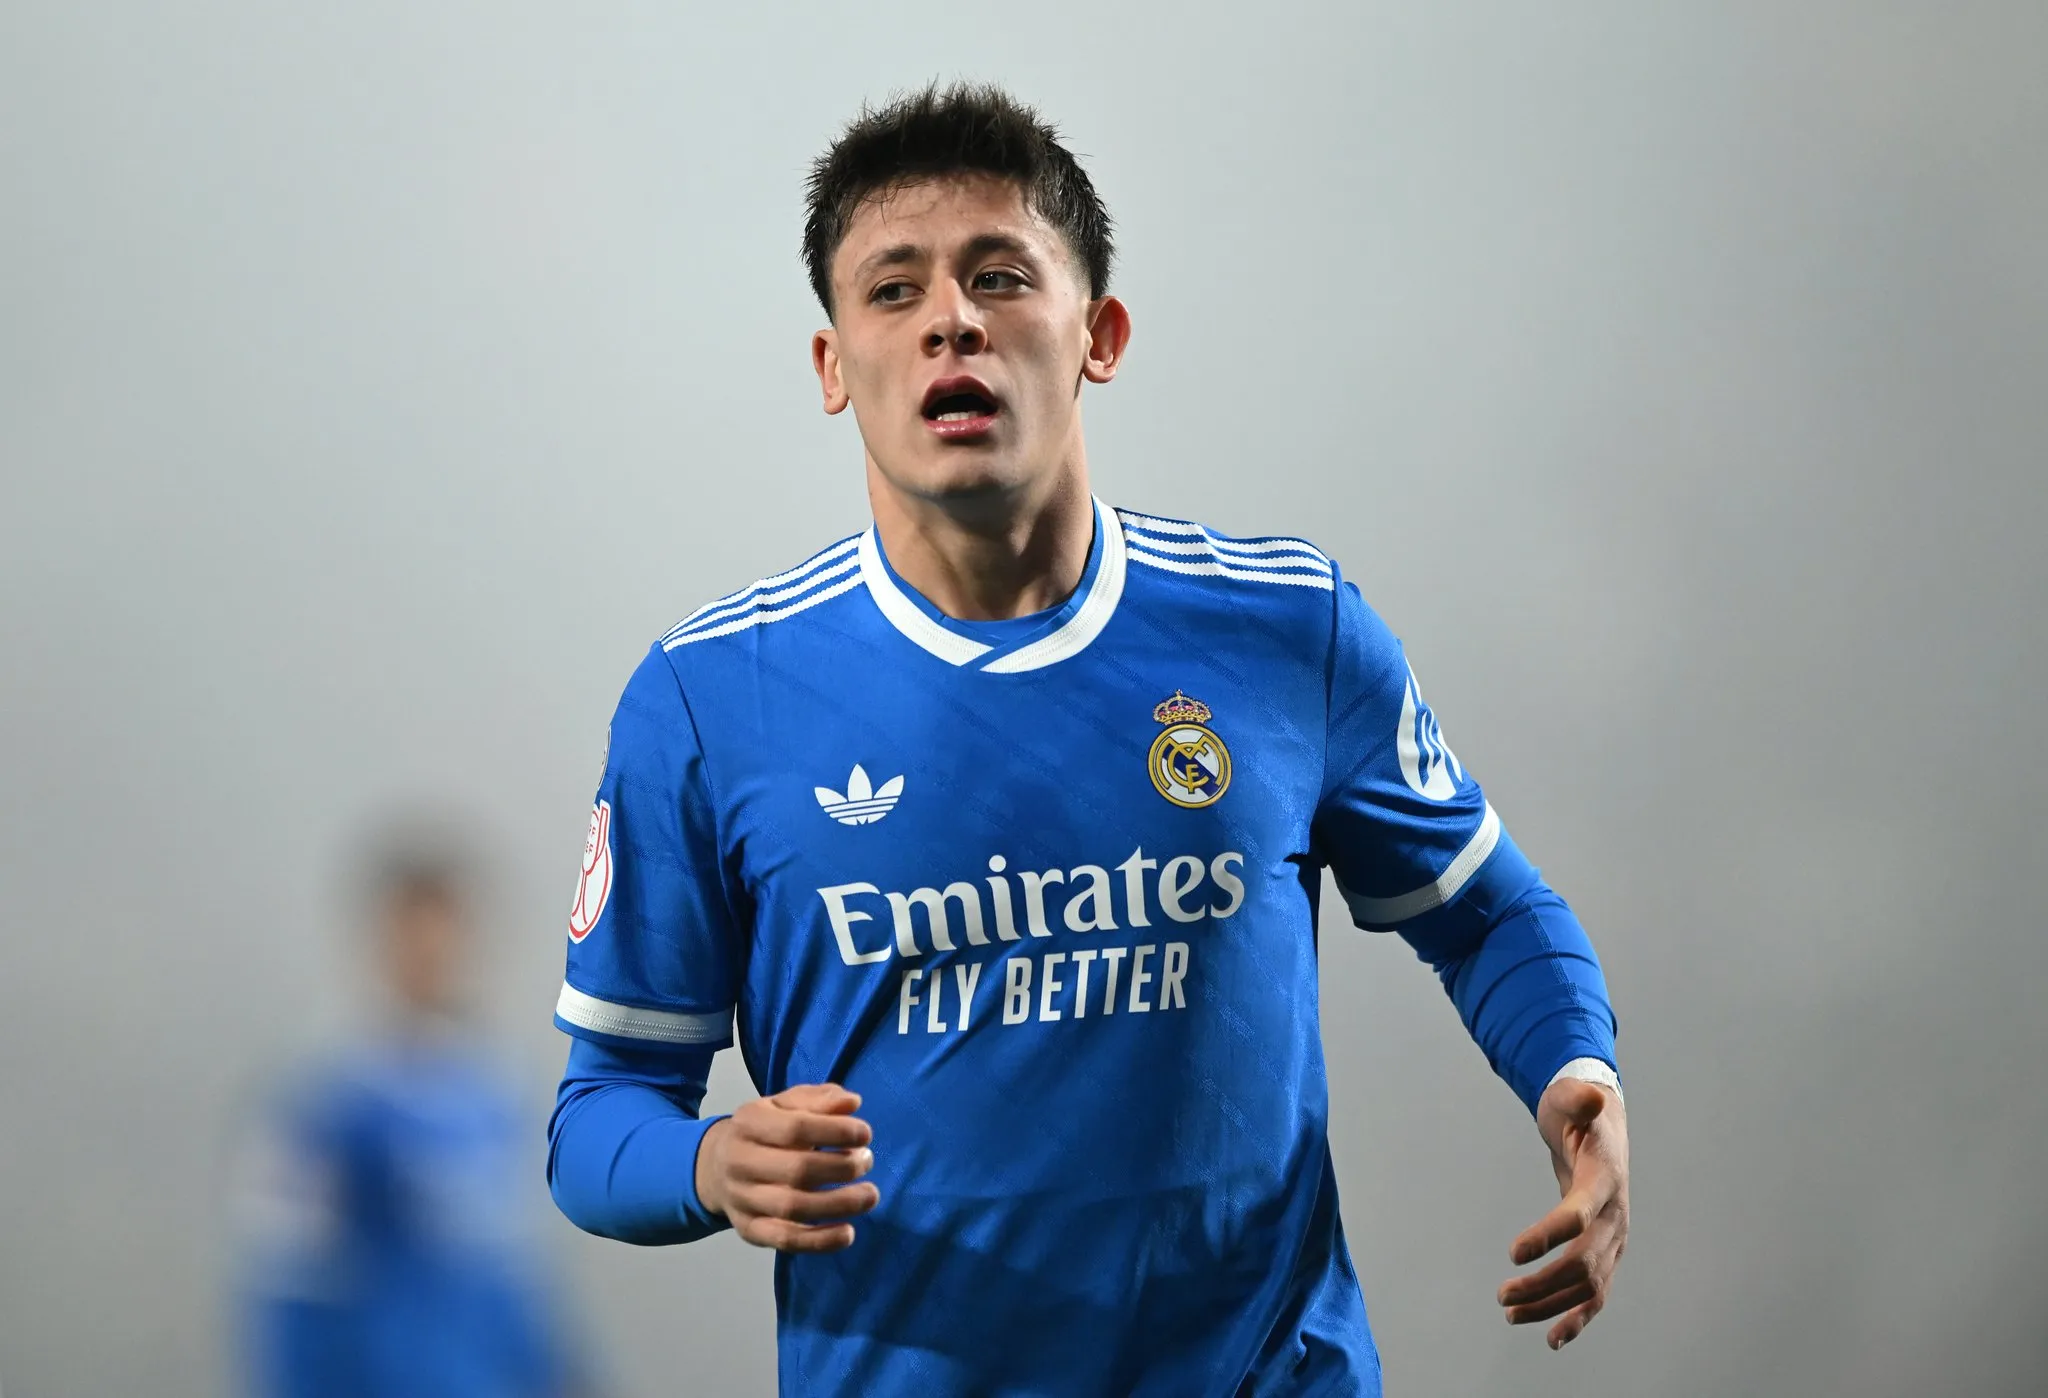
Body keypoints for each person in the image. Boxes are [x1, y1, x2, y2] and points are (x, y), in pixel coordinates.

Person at [546, 82, 1627, 1396]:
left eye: (999, 277)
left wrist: (1573, 1067)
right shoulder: (711, 700)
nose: (951, 319)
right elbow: (598, 1114)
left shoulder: (1287, 631)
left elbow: (1487, 910)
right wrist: (710, 1163)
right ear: (832, 367)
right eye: (893, 290)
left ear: (1097, 334)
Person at [236, 832, 586, 1398]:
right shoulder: (325, 1102)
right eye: (416, 936)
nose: (434, 956)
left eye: (448, 935)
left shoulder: (496, 1092)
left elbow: (512, 1277)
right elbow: (288, 1284)